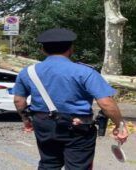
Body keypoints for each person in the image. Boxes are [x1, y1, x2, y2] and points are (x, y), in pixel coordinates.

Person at [13, 28, 129, 169]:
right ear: (71, 49)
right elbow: (106, 103)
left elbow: (19, 101)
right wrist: (119, 124)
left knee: (48, 163)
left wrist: (26, 120)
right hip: (78, 127)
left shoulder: (28, 72)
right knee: (78, 166)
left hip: (43, 125)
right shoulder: (85, 72)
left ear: (42, 50)